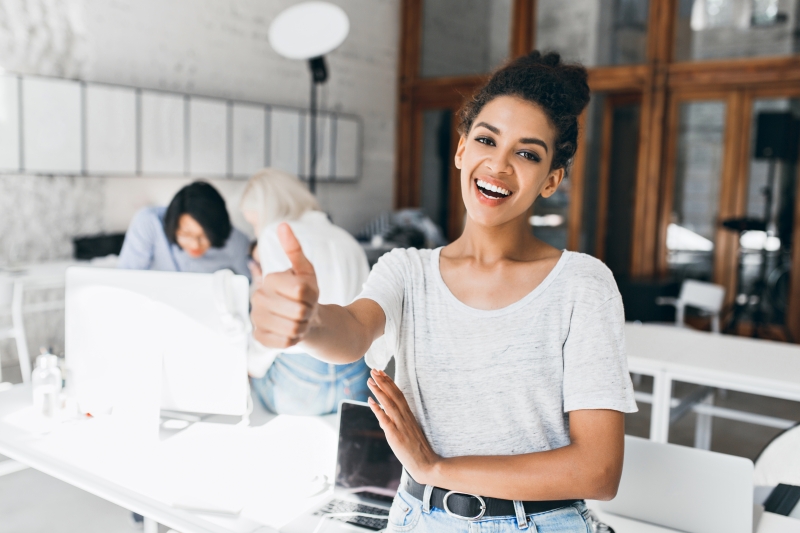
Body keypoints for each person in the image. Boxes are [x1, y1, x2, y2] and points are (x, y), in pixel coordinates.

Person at [250, 51, 637, 532]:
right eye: (486, 140)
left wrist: (437, 468)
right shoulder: (406, 271)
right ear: (460, 151)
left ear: (551, 180)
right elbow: (352, 331)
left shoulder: (582, 284)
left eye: (527, 153)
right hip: (418, 518)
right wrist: (306, 322)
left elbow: (597, 471)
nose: (498, 164)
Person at [240, 168, 371, 416]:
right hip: (355, 382)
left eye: (255, 223)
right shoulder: (347, 240)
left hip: (299, 384)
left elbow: (279, 325)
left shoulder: (274, 235)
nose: (256, 232)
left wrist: (250, 366)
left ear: (267, 212)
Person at [118, 181, 250, 278]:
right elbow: (126, 279)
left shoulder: (236, 242)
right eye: (186, 234)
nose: (195, 245)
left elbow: (247, 287)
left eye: (204, 236)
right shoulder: (149, 223)